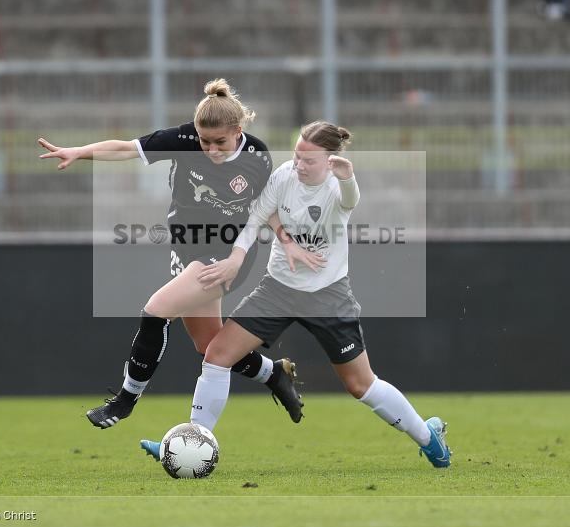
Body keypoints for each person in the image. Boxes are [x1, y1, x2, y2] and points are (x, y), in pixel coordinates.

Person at [140, 121, 451, 469]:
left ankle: (428, 438)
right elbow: (256, 217)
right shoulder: (285, 176)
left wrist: (347, 177)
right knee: (216, 355)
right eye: (297, 155)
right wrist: (237, 258)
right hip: (276, 291)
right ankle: (191, 444)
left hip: (328, 296)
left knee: (361, 385)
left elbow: (351, 199)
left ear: (330, 161)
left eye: (309, 160)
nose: (299, 164)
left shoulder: (338, 186)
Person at [37, 78, 304, 429]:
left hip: (227, 255)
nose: (211, 149)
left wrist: (285, 239)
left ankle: (125, 400)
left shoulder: (257, 157)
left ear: (238, 131)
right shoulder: (183, 140)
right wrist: (78, 152)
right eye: (204, 141)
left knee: (155, 312)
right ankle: (273, 374)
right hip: (186, 249)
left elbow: (264, 207)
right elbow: (126, 148)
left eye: (220, 142)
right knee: (210, 347)